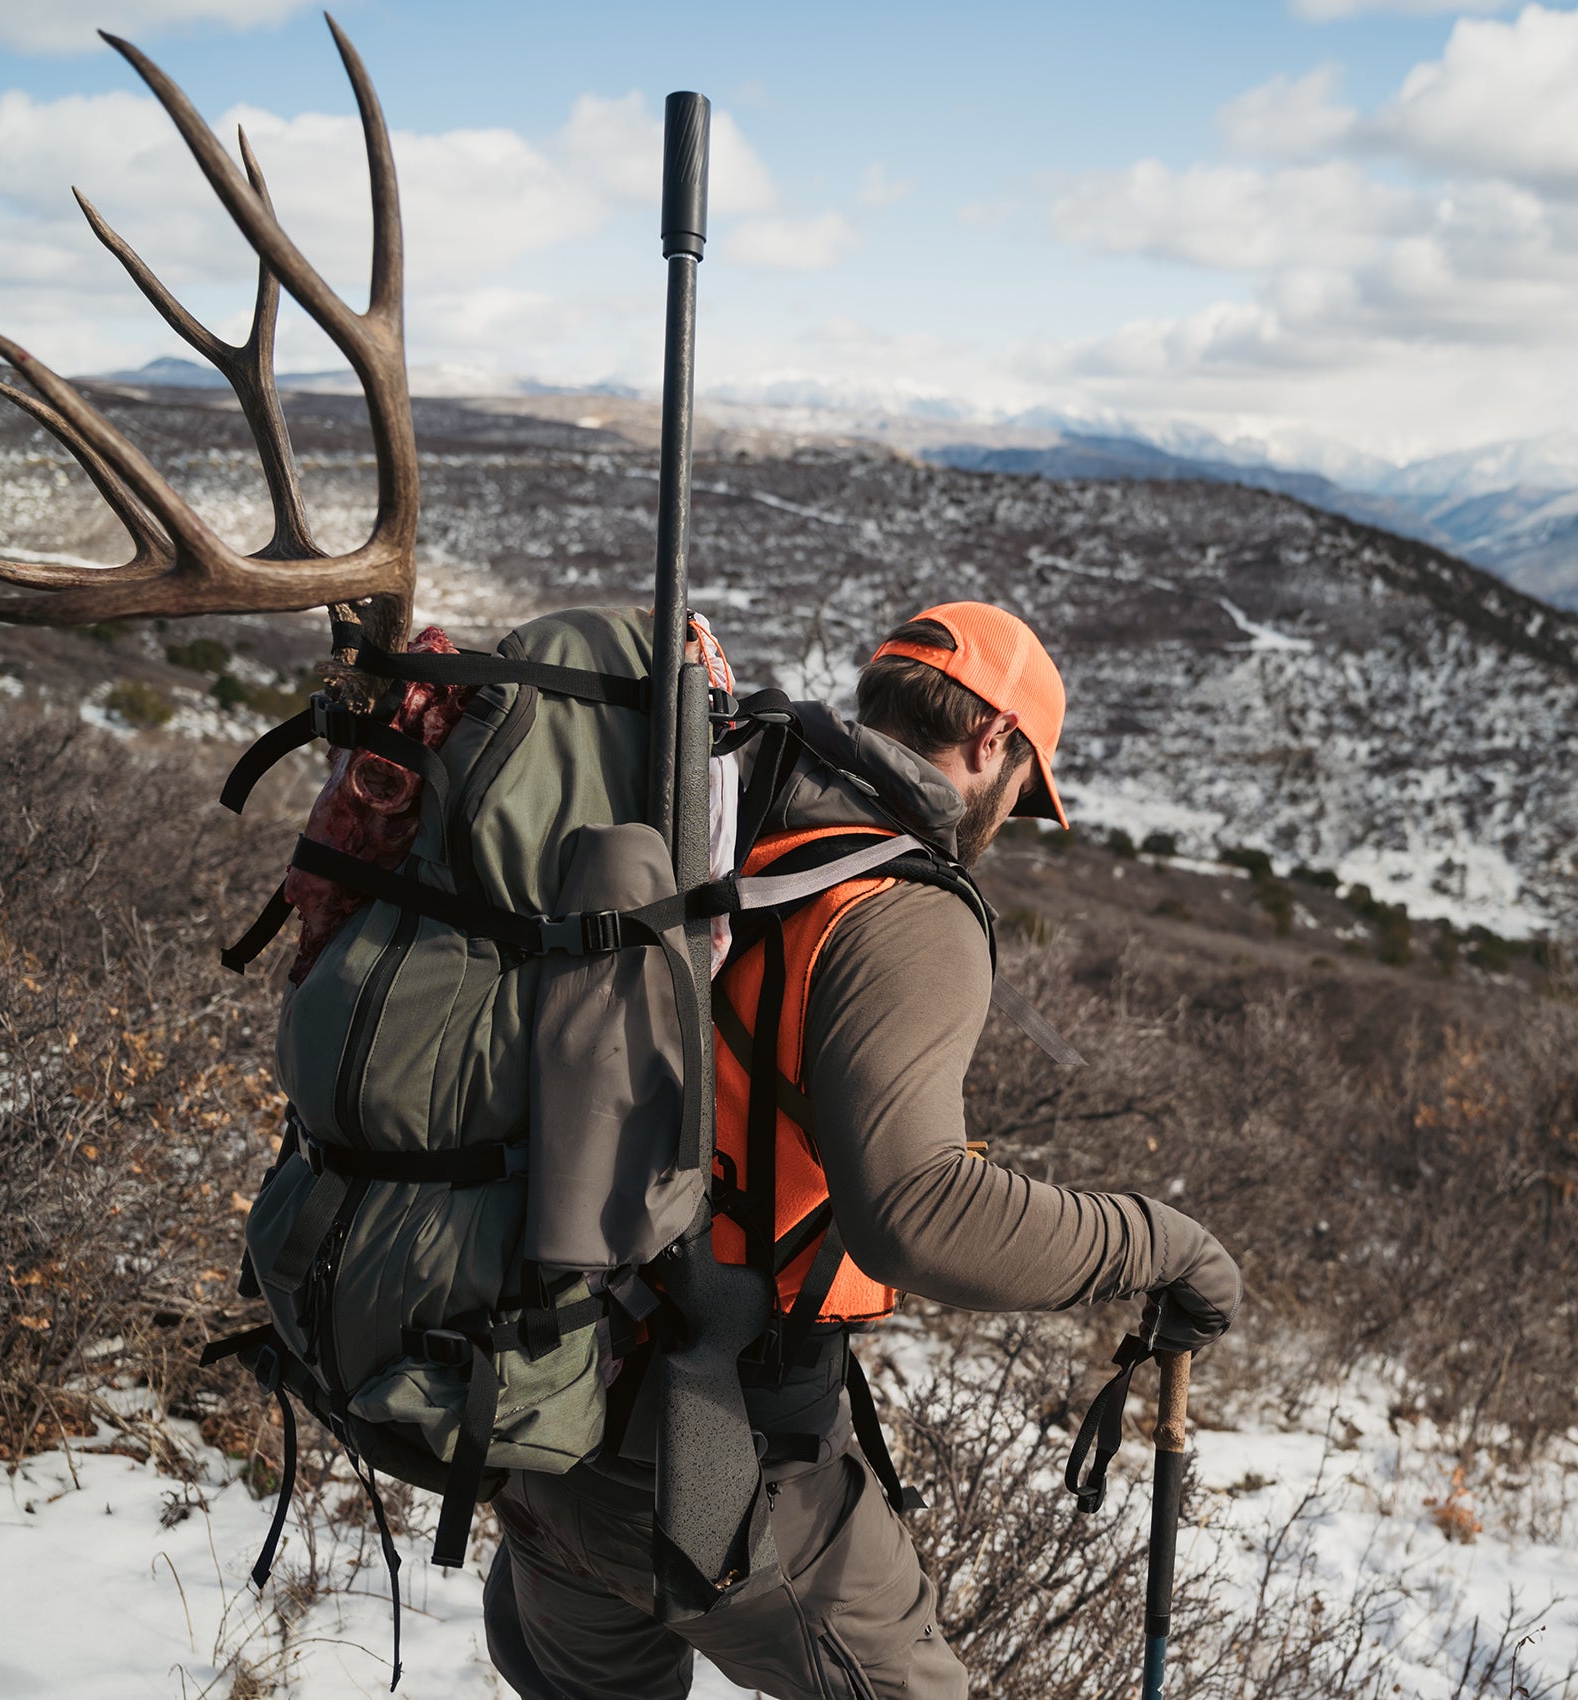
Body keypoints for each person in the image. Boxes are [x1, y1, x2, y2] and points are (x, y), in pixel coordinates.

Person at [484, 601, 1243, 1700]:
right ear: (994, 743)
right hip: (714, 1452)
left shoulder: (724, 813)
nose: (1013, 808)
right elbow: (916, 1209)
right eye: (1027, 783)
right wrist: (1162, 1243)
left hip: (549, 1407)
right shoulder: (896, 905)